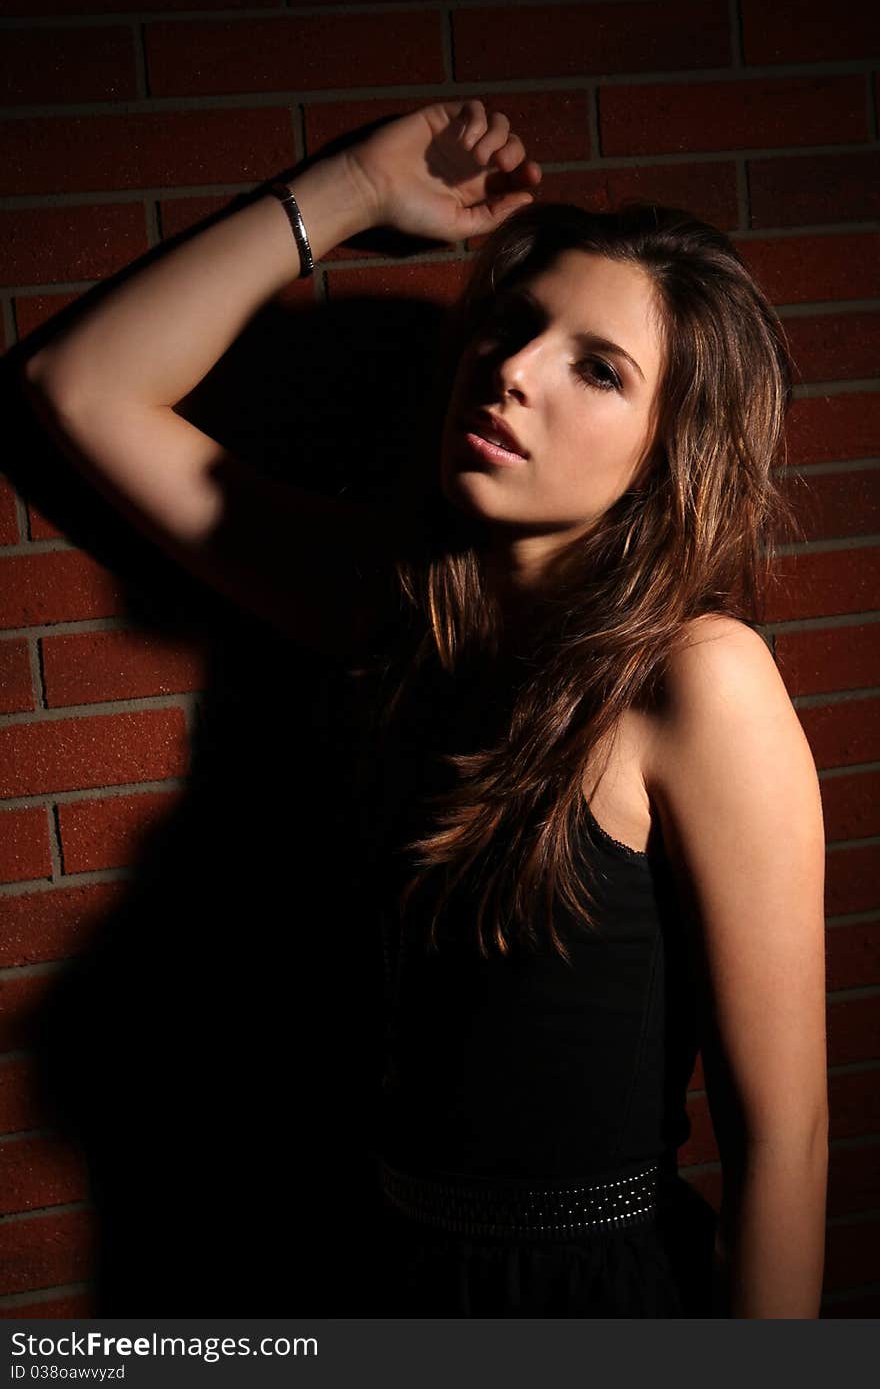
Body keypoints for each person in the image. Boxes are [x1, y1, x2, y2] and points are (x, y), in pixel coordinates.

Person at [20, 98, 828, 1318]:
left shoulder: (694, 679)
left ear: (672, 446)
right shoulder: (393, 608)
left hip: (589, 1298)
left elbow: (786, 1143)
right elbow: (78, 385)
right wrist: (352, 185)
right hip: (377, 1273)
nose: (510, 371)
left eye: (596, 368)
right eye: (511, 327)